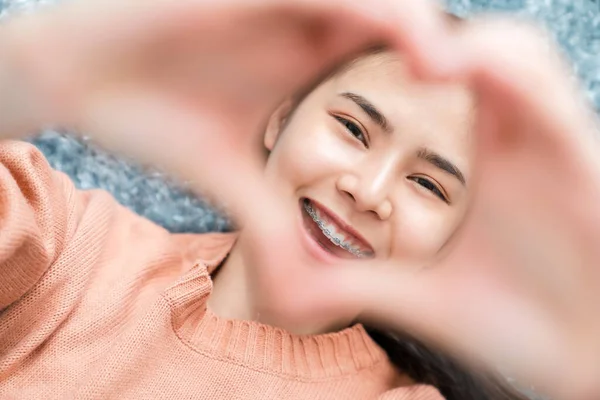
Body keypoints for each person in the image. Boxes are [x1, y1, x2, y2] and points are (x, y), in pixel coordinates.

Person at [0, 0, 599, 399]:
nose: (367, 192)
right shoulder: (68, 248)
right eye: (354, 130)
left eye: (429, 185)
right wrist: (35, 67)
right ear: (280, 117)